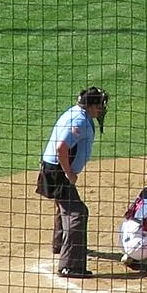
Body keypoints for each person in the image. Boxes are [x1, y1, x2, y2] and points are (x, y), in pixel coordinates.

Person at [35, 87, 108, 279]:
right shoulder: (80, 121)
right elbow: (61, 148)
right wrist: (69, 174)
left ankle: (60, 245)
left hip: (52, 168)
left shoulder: (76, 113)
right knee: (77, 213)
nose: (102, 109)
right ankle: (70, 266)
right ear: (91, 105)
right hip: (57, 171)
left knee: (64, 207)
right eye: (100, 105)